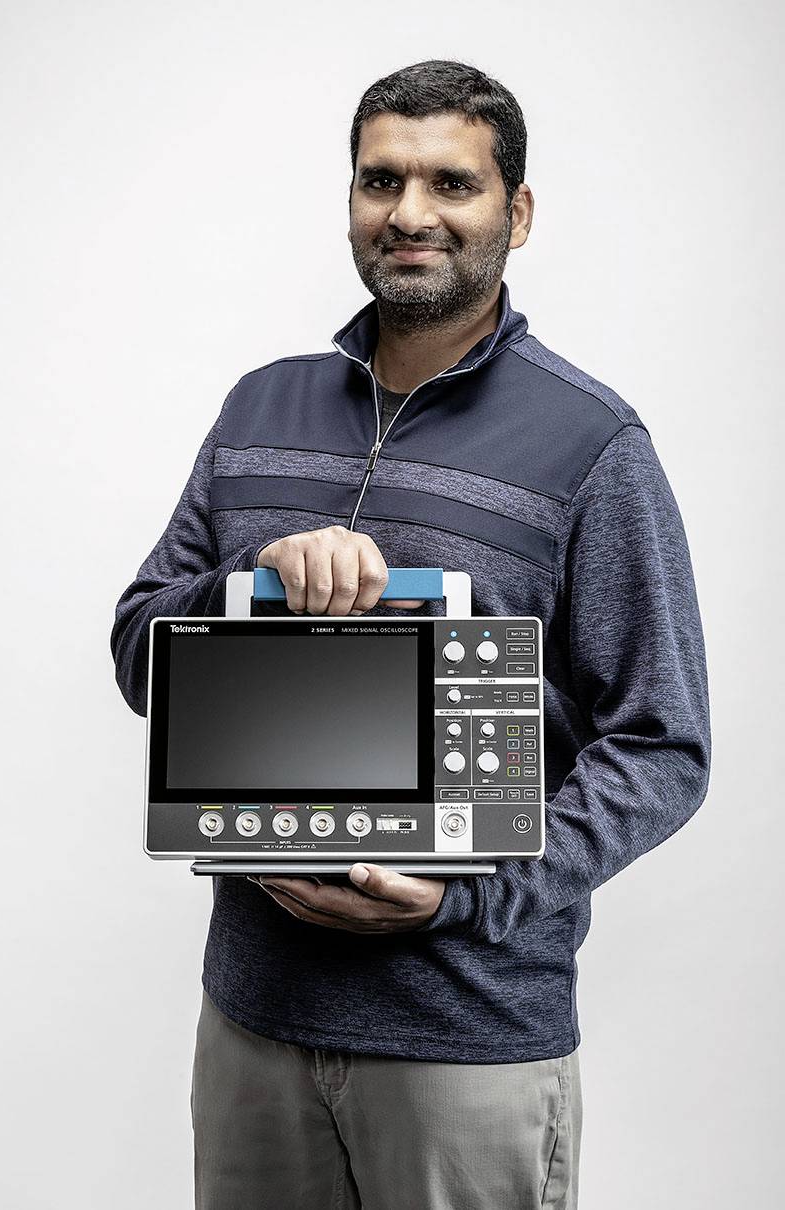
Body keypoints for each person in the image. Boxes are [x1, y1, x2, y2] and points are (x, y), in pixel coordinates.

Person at [110, 59, 711, 1210]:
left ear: (515, 212)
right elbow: (142, 651)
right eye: (379, 180)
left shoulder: (593, 446)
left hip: (465, 1035)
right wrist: (256, 578)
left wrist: (465, 897)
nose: (410, 213)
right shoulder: (258, 408)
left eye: (451, 182)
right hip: (251, 1020)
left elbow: (662, 746)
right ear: (350, 200)